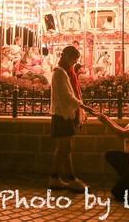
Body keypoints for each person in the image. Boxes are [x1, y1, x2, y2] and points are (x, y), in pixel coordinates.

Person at [49, 45, 91, 192]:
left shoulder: (67, 72)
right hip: (63, 114)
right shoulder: (59, 73)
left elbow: (72, 93)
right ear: (66, 57)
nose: (74, 62)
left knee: (64, 148)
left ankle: (55, 178)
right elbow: (67, 95)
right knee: (65, 147)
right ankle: (72, 179)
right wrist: (82, 106)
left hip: (67, 113)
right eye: (73, 59)